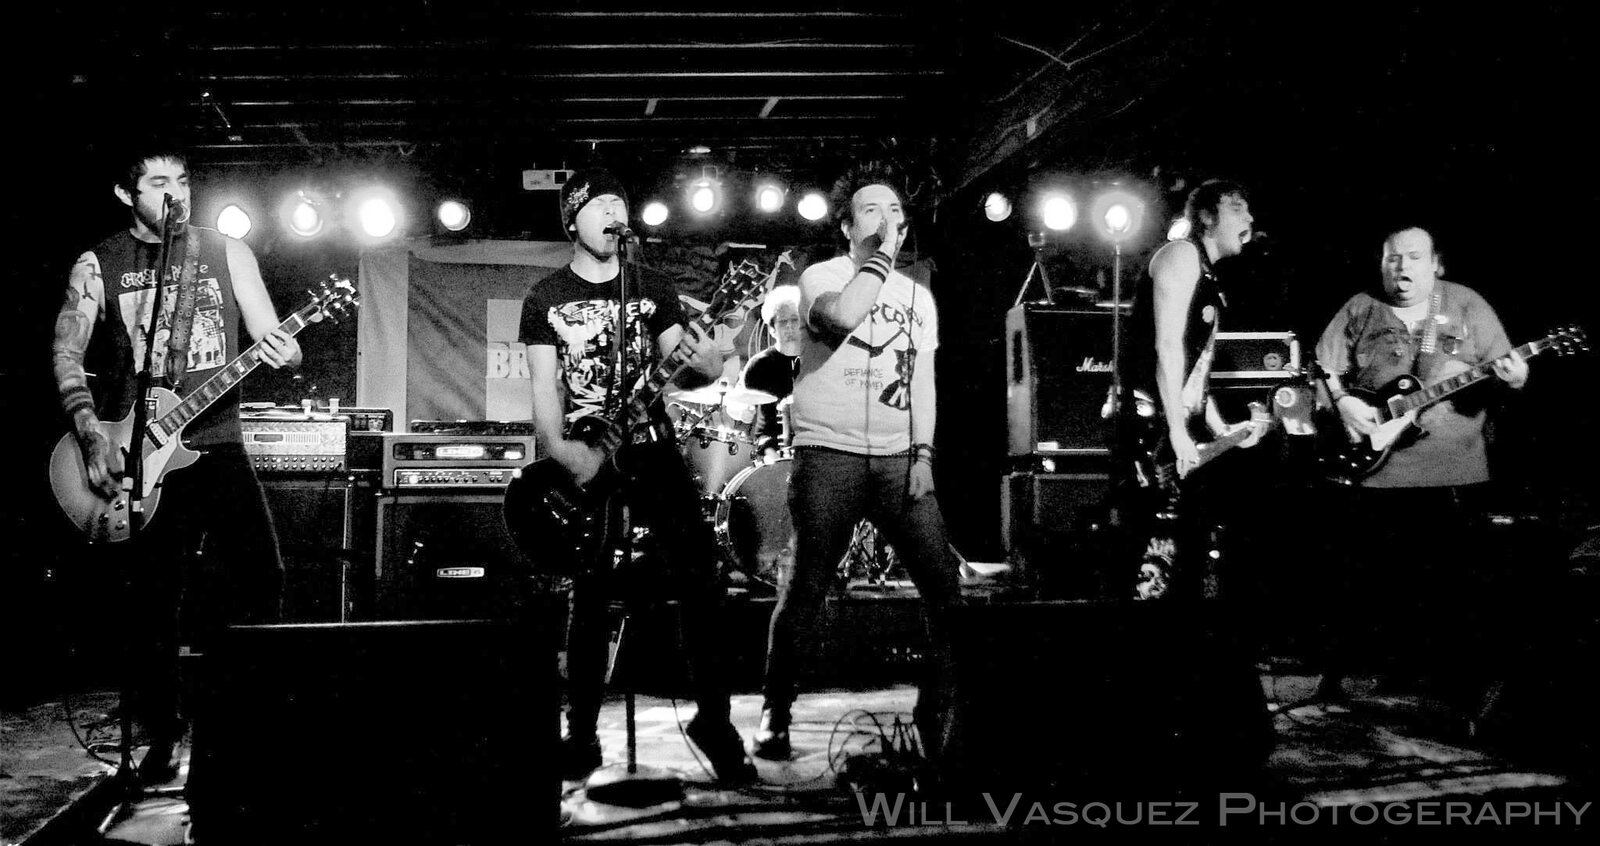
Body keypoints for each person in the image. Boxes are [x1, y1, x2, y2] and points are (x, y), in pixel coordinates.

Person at [50, 145, 299, 814]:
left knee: (263, 578)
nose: (176, 193)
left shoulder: (226, 251)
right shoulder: (99, 263)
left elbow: (276, 336)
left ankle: (250, 725)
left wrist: (286, 347)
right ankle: (161, 735)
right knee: (153, 601)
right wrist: (90, 432)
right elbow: (66, 350)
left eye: (183, 180)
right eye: (158, 181)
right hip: (138, 454)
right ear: (124, 192)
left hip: (217, 444)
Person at [518, 167, 756, 784]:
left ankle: (714, 720)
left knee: (701, 579)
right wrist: (570, 455)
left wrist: (708, 360)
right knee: (591, 591)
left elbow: (690, 368)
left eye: (618, 202)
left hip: (653, 447)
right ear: (572, 219)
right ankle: (582, 732)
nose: (612, 213)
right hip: (588, 454)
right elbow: (544, 401)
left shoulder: (652, 286)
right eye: (598, 203)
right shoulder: (545, 298)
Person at [750, 163, 962, 766]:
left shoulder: (918, 297)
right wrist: (880, 260)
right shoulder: (822, 277)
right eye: (871, 210)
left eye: (895, 211)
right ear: (846, 226)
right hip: (829, 454)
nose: (886, 219)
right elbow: (843, 317)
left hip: (898, 459)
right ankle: (775, 711)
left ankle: (937, 715)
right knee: (805, 586)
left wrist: (924, 453)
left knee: (944, 589)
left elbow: (922, 382)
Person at [1312, 224, 1527, 706]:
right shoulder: (1360, 307)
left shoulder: (1468, 305)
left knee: (1453, 587)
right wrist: (1343, 403)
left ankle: (1455, 689)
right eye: (1392, 258)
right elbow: (1321, 370)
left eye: (1413, 257)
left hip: (1454, 473)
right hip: (1375, 473)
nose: (1401, 267)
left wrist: (1516, 377)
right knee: (1376, 584)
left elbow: (1504, 369)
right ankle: (1379, 674)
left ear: (1436, 264)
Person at [1119, 179, 1268, 600]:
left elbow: (1195, 369)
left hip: (1176, 424)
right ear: (1206, 216)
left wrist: (1221, 428)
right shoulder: (1182, 254)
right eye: (1237, 208)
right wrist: (1178, 432)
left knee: (1194, 546)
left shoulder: (1209, 277)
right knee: (1152, 555)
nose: (1249, 217)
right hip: (1151, 425)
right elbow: (1166, 348)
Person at [737, 283, 803, 460]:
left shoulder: (815, 361)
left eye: (795, 320)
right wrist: (742, 410)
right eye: (782, 322)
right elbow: (741, 407)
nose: (789, 327)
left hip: (810, 446)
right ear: (772, 329)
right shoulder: (759, 364)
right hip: (768, 448)